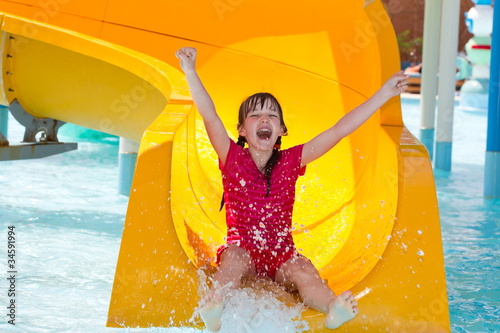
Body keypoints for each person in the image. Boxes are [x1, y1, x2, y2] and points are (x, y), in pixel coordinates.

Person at [175, 47, 408, 331]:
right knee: (233, 257)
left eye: (272, 116)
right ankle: (215, 309)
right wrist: (190, 70)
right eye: (256, 115)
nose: (264, 120)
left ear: (282, 130)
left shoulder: (290, 161)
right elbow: (209, 115)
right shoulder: (231, 157)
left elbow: (338, 131)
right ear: (242, 130)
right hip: (244, 251)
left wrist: (383, 94)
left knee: (303, 269)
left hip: (281, 255)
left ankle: (332, 308)